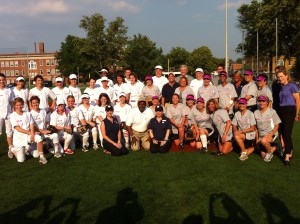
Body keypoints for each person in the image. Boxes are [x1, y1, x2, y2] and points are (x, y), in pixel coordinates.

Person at [10, 97, 47, 164]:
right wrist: (30, 133)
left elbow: (31, 124)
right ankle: (12, 149)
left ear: (23, 104)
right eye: (17, 105)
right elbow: (18, 128)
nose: (19, 106)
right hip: (19, 138)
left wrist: (32, 134)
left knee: (37, 150)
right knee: (21, 160)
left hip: (28, 136)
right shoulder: (12, 115)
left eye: (21, 104)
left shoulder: (27, 113)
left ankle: (42, 157)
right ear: (15, 105)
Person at [276, 67, 300, 166]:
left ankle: (287, 156)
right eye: (278, 77)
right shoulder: (280, 86)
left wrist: (297, 113)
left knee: (287, 133)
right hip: (281, 110)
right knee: (282, 132)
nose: (280, 78)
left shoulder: (292, 86)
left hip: (290, 110)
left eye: (281, 76)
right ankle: (290, 151)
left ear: (286, 76)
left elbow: (298, 100)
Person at [254, 95, 281, 163]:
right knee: (262, 154)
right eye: (260, 101)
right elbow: (255, 127)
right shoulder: (256, 112)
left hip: (271, 133)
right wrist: (257, 138)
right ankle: (275, 147)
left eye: (263, 101)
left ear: (267, 102)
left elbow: (277, 125)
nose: (261, 102)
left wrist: (270, 135)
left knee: (263, 141)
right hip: (261, 134)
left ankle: (270, 153)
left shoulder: (272, 112)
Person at [0, 73, 14, 156]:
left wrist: (12, 113)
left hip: (8, 114)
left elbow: (12, 102)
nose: (1, 81)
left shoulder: (9, 90)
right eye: (0, 80)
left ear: (5, 80)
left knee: (9, 132)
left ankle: (10, 148)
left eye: (3, 80)